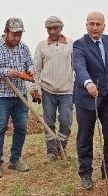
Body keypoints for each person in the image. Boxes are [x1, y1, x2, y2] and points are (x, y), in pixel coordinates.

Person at [72, 12, 108, 190]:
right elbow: (79, 66)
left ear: (104, 26)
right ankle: (86, 173)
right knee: (85, 136)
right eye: (91, 24)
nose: (95, 27)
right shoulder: (80, 44)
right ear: (86, 25)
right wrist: (88, 82)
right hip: (86, 99)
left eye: (98, 24)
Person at [0, 17, 35, 179]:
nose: (17, 38)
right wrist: (7, 72)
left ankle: (15, 160)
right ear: (5, 32)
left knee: (21, 128)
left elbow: (30, 63)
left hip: (20, 95)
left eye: (19, 35)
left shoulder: (23, 47)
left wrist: (31, 70)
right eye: (14, 35)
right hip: (1, 97)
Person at [30, 16, 75, 160]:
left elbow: (77, 67)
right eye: (49, 28)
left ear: (61, 28)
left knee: (66, 121)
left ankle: (62, 145)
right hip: (47, 90)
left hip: (67, 91)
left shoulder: (70, 45)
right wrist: (35, 88)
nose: (52, 31)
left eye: (55, 28)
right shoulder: (42, 46)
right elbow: (36, 69)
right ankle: (51, 151)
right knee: (48, 122)